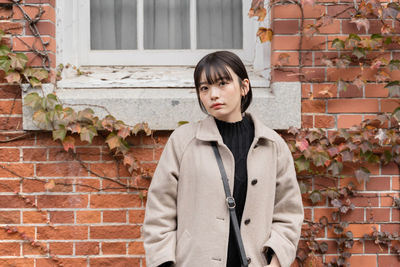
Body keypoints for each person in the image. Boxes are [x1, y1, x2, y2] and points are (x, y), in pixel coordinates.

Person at [143, 51, 304, 267]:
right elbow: (159, 213)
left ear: (244, 86)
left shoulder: (272, 145)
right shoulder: (183, 142)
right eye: (204, 88)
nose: (213, 95)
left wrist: (274, 263)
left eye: (222, 83)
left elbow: (288, 213)